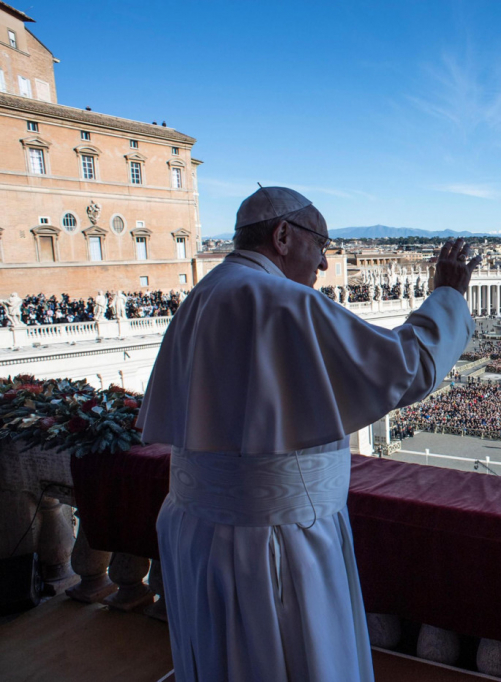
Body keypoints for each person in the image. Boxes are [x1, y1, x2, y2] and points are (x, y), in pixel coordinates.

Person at [137, 186, 481, 682]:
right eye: (321, 245)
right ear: (282, 236)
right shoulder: (284, 301)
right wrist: (446, 297)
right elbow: (407, 368)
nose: (323, 265)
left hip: (197, 533)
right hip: (278, 543)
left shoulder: (202, 295)